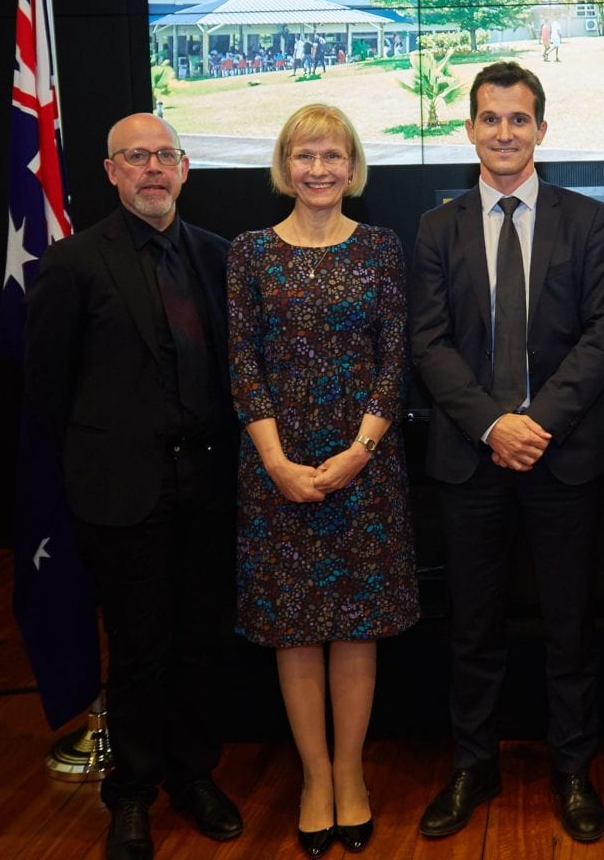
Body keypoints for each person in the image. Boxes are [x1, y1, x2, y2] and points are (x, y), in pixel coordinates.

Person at [409, 61, 604, 844]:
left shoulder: (587, 220)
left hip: (562, 457)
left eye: (519, 119)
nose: (505, 133)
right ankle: (474, 763)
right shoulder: (438, 227)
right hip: (472, 460)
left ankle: (573, 767)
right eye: (490, 119)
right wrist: (492, 425)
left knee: (570, 624)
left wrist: (539, 421)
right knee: (472, 625)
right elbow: (427, 344)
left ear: (542, 128)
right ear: (469, 128)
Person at [24, 113, 244, 860]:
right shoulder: (75, 263)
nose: (152, 168)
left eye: (164, 156)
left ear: (185, 169)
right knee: (141, 649)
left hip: (209, 487)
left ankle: (194, 776)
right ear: (112, 171)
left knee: (202, 643)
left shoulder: (218, 258)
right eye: (135, 157)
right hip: (123, 493)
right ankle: (133, 794)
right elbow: (47, 391)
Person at [226, 104, 419, 858]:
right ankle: (313, 777)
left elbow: (394, 358)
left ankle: (350, 774)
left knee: (355, 626)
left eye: (332, 156)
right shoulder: (249, 252)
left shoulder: (380, 247)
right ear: (284, 164)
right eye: (305, 156)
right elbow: (242, 362)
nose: (318, 169)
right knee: (295, 630)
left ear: (352, 166)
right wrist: (277, 462)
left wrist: (360, 452)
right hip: (277, 467)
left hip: (362, 464)